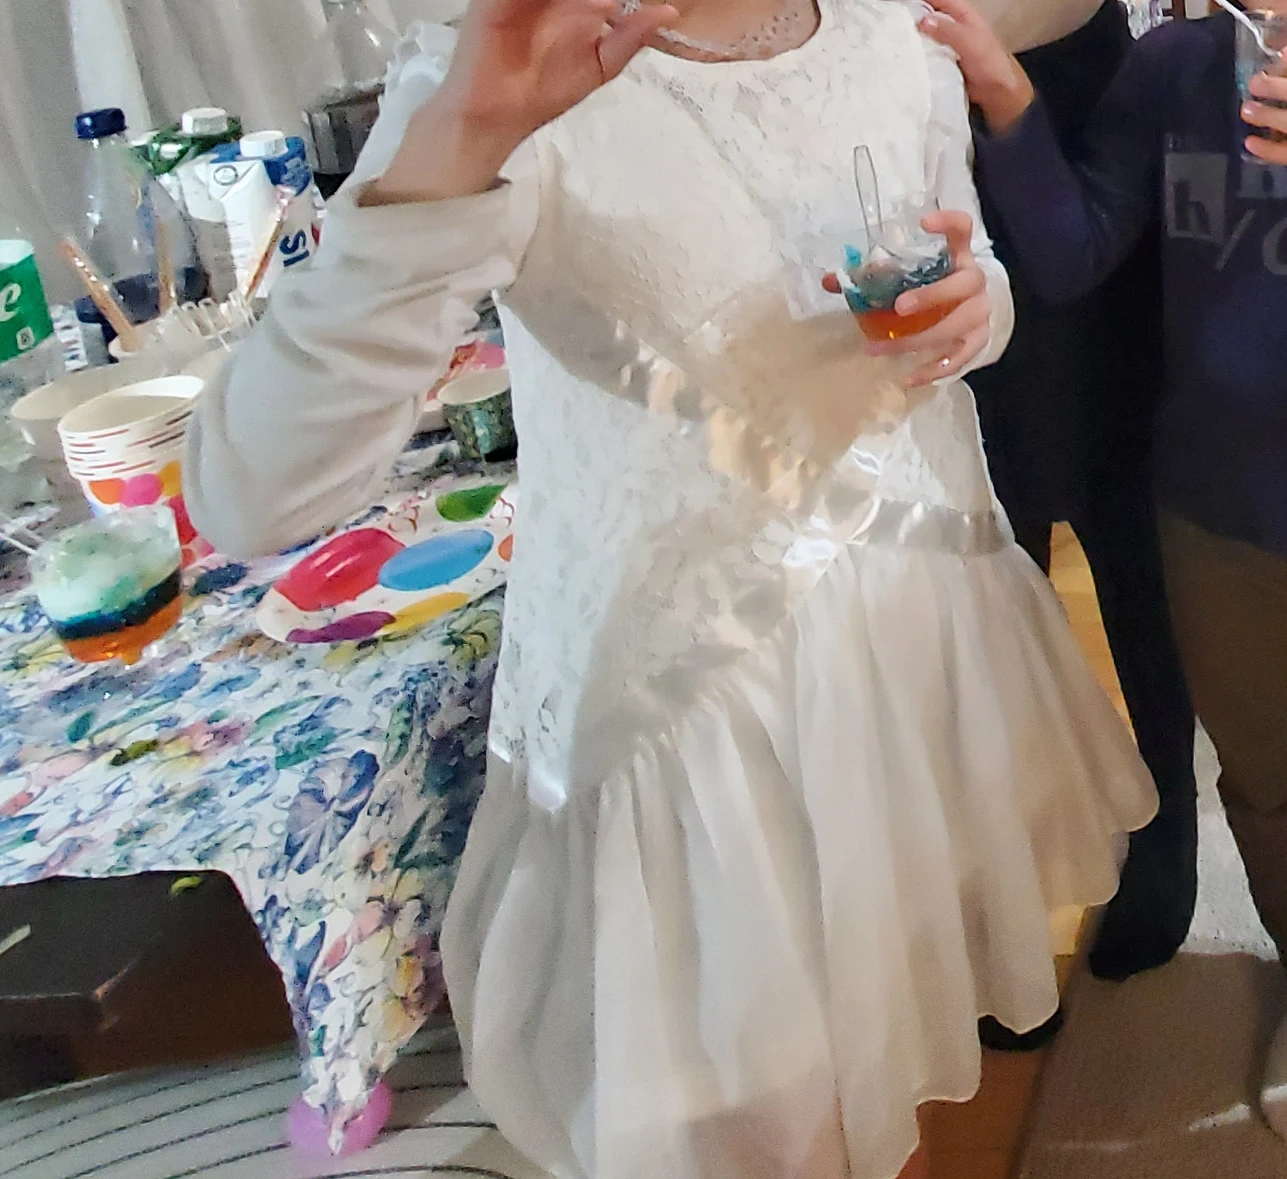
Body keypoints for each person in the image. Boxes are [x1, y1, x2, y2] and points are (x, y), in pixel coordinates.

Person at [184, 0, 1156, 1173]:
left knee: (898, 1008)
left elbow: (967, 270)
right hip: (693, 711)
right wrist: (457, 142)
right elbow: (252, 496)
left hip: (918, 628)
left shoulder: (892, 27)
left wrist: (976, 311)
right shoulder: (506, 74)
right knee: (755, 1117)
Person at [919, 0, 1287, 1134]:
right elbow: (1071, 253)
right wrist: (1006, 96)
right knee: (1265, 784)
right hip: (1215, 509)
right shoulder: (1178, 66)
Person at [968, 0, 1199, 995]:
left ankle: (1166, 816)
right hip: (902, 133)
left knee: (1131, 516)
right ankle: (1003, 881)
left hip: (1073, 97)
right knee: (977, 547)